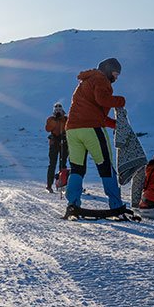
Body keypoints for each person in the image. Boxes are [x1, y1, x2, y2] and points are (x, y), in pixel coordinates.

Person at [64, 58, 126, 215]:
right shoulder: (101, 78)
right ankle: (116, 206)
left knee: (77, 168)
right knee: (106, 166)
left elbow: (95, 111)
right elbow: (102, 100)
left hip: (72, 130)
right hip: (91, 129)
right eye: (115, 74)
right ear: (108, 70)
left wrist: (115, 124)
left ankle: (73, 204)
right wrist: (121, 101)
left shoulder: (86, 81)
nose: (116, 78)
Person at [44, 102, 68, 192]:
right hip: (54, 143)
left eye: (59, 110)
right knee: (52, 164)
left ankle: (62, 184)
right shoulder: (50, 119)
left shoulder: (65, 119)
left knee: (63, 164)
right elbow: (48, 129)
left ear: (62, 110)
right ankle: (49, 185)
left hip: (64, 143)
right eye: (56, 110)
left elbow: (69, 128)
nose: (58, 111)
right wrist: (55, 120)